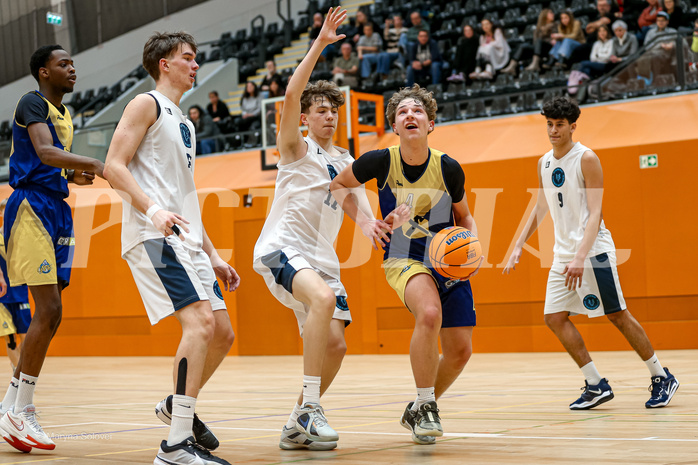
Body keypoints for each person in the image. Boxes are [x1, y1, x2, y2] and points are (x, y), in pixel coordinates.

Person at [253, 7, 401, 451]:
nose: (329, 117)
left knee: (335, 347)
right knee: (319, 299)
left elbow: (351, 198)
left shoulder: (345, 158)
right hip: (282, 248)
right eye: (320, 111)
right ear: (304, 117)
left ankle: (296, 420)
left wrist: (371, 223)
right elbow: (293, 91)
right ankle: (313, 409)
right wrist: (319, 44)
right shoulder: (294, 148)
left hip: (321, 260)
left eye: (334, 112)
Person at [103, 31, 239, 465]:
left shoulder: (186, 122)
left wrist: (212, 252)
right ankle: (176, 445)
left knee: (222, 332)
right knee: (199, 324)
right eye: (188, 58)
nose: (195, 65)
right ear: (164, 64)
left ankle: (174, 406)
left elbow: (185, 195)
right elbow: (113, 166)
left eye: (196, 59)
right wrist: (153, 210)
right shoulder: (146, 104)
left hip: (188, 240)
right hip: (154, 235)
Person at [503, 97, 679, 411]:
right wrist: (518, 245)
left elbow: (595, 214)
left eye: (559, 125)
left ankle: (661, 375)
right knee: (554, 318)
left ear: (572, 126)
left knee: (617, 315)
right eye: (549, 124)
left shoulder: (587, 159)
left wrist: (581, 256)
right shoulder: (544, 162)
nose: (553, 131)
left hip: (593, 252)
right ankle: (596, 383)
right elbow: (541, 206)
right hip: (563, 255)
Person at [330, 84, 480, 445]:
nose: (410, 115)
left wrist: (473, 248)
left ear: (431, 123)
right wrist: (366, 222)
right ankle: (427, 405)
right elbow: (338, 185)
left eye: (417, 111)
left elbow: (466, 217)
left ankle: (417, 407)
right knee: (428, 313)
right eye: (402, 112)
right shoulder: (380, 161)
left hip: (448, 260)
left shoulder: (448, 167)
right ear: (394, 126)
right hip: (403, 256)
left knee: (460, 351)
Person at [0, 44, 103, 453]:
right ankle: (22, 408)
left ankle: (12, 405)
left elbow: (51, 162)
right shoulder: (31, 102)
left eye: (73, 63)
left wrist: (73, 178)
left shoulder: (65, 114)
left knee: (53, 313)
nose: (72, 69)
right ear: (43, 72)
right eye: (64, 64)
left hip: (55, 205)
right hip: (31, 208)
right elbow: (44, 152)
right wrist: (95, 165)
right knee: (50, 311)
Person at [0, 199, 31, 374]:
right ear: (1, 213)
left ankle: (19, 366)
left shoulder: (22, 237)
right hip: (2, 295)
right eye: (5, 210)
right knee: (10, 338)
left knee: (27, 336)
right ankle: (17, 373)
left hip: (20, 292)